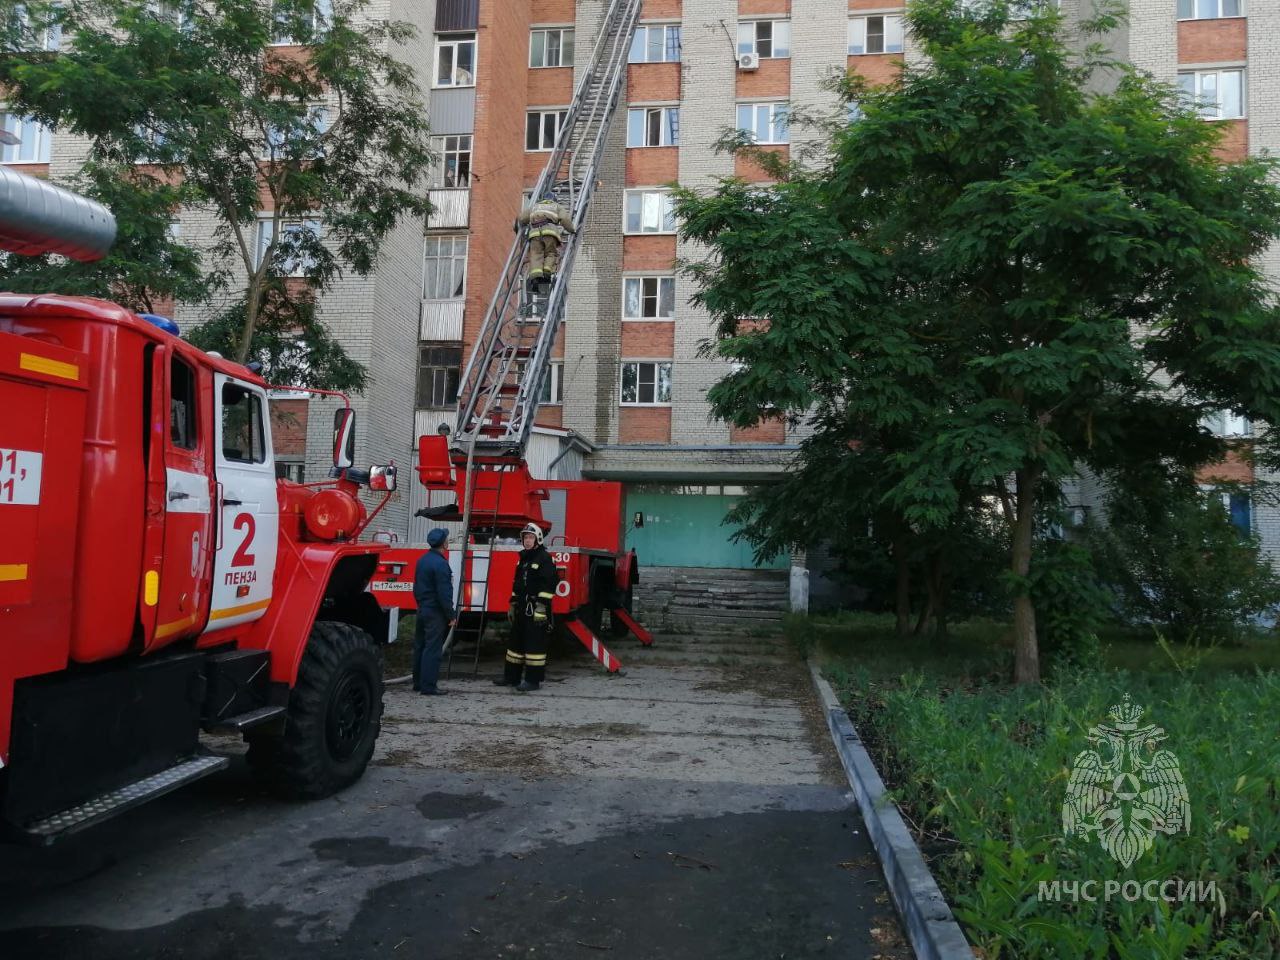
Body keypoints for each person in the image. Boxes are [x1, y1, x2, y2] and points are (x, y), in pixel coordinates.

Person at [496, 522, 558, 692]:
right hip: (521, 607)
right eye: (525, 538)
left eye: (530, 537)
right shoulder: (523, 558)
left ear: (537, 538)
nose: (527, 541)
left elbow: (549, 584)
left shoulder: (544, 558)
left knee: (534, 645)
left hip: (536, 608)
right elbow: (517, 584)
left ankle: (533, 681)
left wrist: (541, 608)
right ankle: (511, 677)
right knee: (515, 643)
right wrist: (512, 603)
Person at [413, 528, 456, 696]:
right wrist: (451, 615)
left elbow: (416, 587)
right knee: (433, 649)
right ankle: (429, 686)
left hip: (423, 608)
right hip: (435, 612)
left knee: (420, 646)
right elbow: (444, 594)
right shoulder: (441, 564)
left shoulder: (422, 560)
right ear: (444, 543)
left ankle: (417, 683)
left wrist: (421, 604)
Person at [519, 196, 575, 294]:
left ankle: (535, 278)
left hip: (535, 233)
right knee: (551, 253)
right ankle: (546, 272)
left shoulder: (535, 206)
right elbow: (565, 219)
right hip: (550, 232)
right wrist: (572, 230)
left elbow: (522, 218)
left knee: (536, 255)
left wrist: (518, 226)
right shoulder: (556, 206)